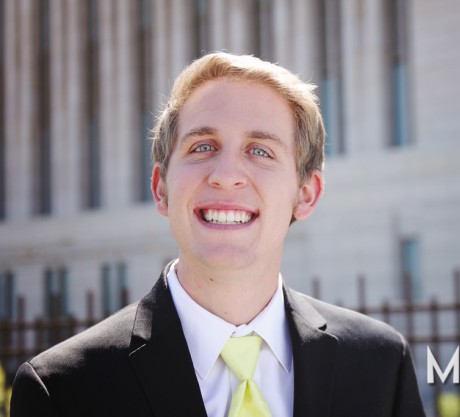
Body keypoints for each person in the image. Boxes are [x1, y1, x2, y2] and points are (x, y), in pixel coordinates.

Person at [11, 52, 426, 417]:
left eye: (260, 151)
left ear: (305, 194)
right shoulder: (63, 391)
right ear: (161, 188)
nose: (226, 176)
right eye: (202, 147)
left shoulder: (380, 365)